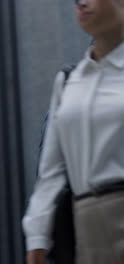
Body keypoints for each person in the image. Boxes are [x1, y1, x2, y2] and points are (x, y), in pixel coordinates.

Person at [23, 0, 124, 263]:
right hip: (85, 223)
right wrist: (37, 234)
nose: (81, 3)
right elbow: (52, 169)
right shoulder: (69, 81)